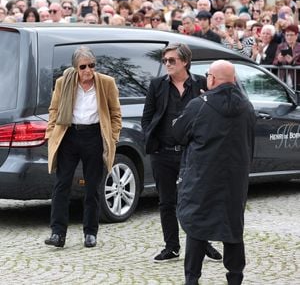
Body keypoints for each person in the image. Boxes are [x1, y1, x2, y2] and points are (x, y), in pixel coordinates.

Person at [173, 59, 256, 285]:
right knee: (232, 228)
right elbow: (250, 143)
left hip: (202, 177)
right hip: (234, 179)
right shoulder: (247, 107)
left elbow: (178, 133)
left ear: (212, 79)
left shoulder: (199, 105)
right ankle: (235, 278)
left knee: (197, 227)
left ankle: (192, 279)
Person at [141, 43, 222, 263]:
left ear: (185, 61)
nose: (167, 64)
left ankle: (202, 243)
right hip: (163, 153)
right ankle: (172, 246)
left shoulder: (201, 84)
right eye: (165, 60)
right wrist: (151, 139)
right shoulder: (157, 85)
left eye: (172, 60)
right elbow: (147, 117)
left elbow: (214, 114)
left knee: (197, 199)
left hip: (192, 153)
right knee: (166, 201)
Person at [44, 46, 122, 248]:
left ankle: (90, 232)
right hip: (69, 135)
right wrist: (51, 133)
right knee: (62, 185)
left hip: (94, 136)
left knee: (92, 186)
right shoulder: (64, 83)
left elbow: (115, 114)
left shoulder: (106, 83)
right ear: (75, 68)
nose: (88, 70)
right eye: (83, 66)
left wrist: (112, 137)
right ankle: (58, 233)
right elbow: (53, 110)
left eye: (92, 65)